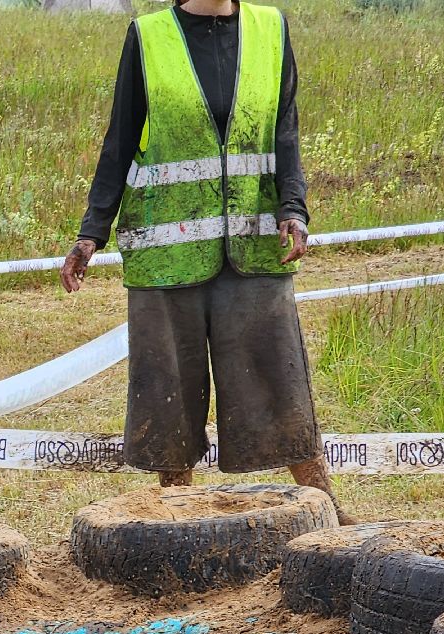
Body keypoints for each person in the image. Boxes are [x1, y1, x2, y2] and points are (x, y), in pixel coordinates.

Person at [60, 0, 355, 523]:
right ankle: (177, 518)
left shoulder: (271, 28)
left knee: (279, 384)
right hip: (166, 255)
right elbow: (120, 141)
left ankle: (328, 516)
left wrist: (294, 207)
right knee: (168, 395)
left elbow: (284, 133)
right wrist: (91, 234)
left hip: (254, 247)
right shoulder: (148, 37)